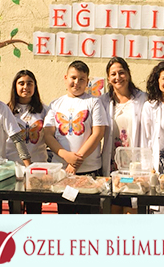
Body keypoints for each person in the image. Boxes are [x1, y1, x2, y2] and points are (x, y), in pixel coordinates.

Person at [41, 61, 108, 214]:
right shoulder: (55, 104)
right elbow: (48, 135)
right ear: (65, 78)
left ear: (87, 81)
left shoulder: (94, 102)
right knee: (66, 215)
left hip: (89, 170)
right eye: (73, 77)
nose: (76, 82)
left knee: (88, 217)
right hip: (64, 172)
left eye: (81, 79)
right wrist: (66, 156)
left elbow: (98, 133)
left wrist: (77, 161)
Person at [5, 69, 47, 214]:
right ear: (15, 86)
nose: (25, 87)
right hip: (13, 166)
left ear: (35, 87)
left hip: (37, 165)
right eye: (21, 83)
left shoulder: (44, 110)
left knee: (34, 209)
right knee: (15, 209)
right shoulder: (6, 110)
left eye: (30, 83)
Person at [100, 57, 147, 176]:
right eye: (113, 74)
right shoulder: (103, 101)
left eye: (121, 73)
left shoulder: (143, 99)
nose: (118, 77)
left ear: (128, 74)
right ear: (108, 79)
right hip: (112, 159)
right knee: (115, 188)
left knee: (133, 187)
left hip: (135, 159)